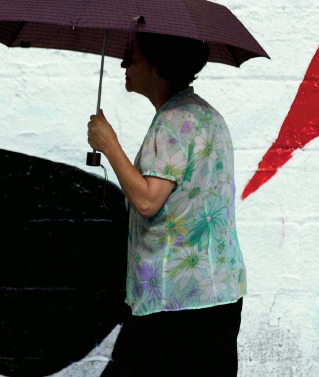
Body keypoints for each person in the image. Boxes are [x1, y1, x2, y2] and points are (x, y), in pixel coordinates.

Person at [87, 30, 247, 377]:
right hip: (218, 290)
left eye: (134, 55)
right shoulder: (208, 116)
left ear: (159, 67)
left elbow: (147, 201)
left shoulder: (174, 121)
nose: (123, 62)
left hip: (173, 297)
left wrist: (109, 144)